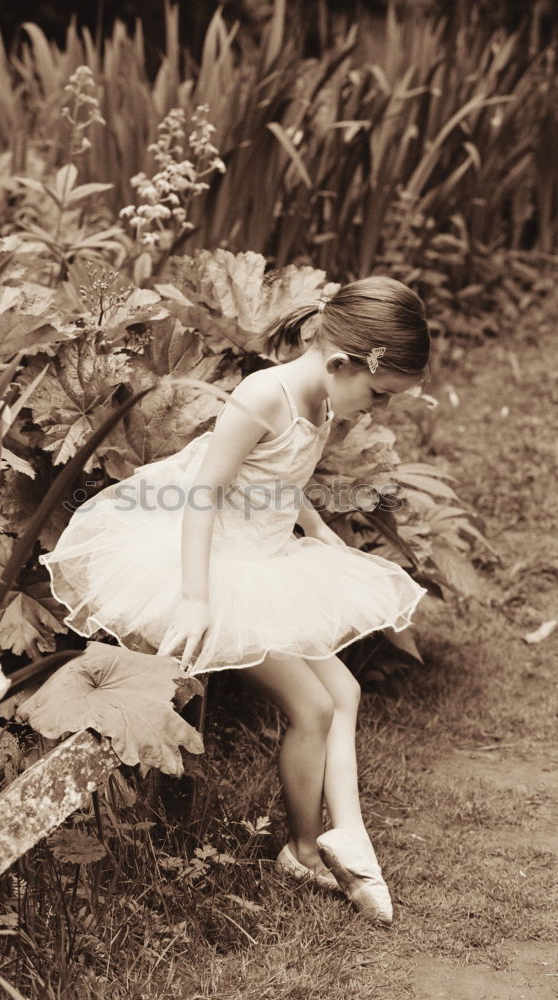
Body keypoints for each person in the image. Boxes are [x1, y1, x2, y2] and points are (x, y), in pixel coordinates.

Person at [41, 275, 430, 925]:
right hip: (214, 563)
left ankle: (317, 844)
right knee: (310, 704)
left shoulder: (327, 399)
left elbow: (278, 475)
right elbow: (203, 496)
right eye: (379, 394)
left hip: (269, 554)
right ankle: (311, 847)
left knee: (345, 695)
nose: (379, 410)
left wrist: (316, 529)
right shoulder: (263, 396)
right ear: (341, 364)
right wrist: (196, 598)